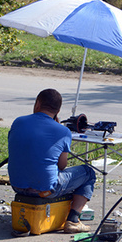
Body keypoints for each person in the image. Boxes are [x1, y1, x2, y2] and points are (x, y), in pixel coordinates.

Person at [7, 88, 96, 234]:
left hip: (17, 186)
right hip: (45, 190)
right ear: (58, 110)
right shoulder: (63, 131)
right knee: (88, 172)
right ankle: (73, 220)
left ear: (37, 104)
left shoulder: (18, 122)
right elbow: (62, 165)